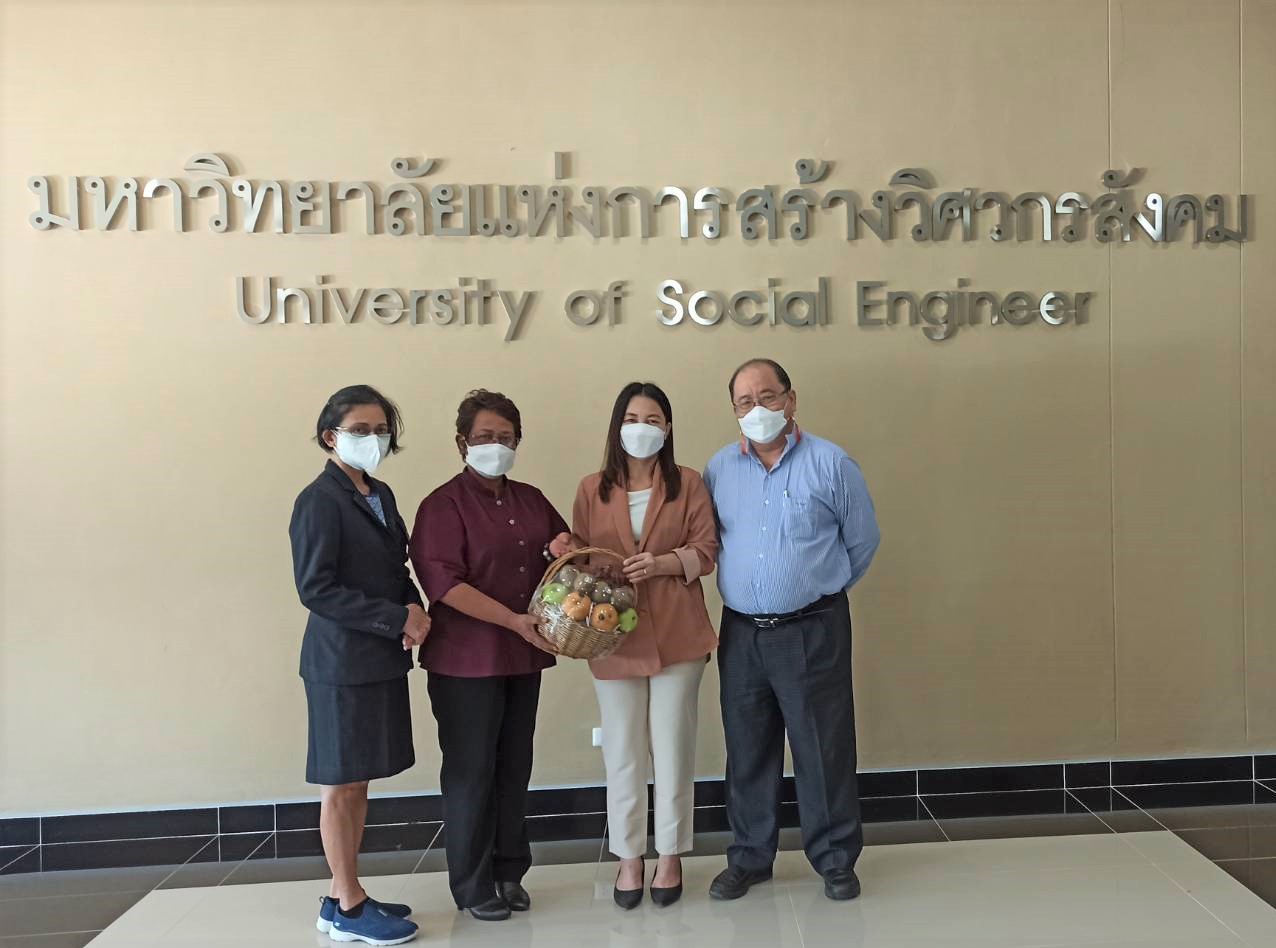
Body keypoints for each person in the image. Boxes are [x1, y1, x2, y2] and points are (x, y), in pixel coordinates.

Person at [702, 358, 880, 903]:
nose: (757, 409)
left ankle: (835, 860)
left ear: (791, 399)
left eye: (768, 396)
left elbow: (862, 541)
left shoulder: (831, 463)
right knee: (747, 747)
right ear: (734, 410)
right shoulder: (719, 469)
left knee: (822, 747)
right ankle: (750, 857)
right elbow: (712, 541)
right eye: (744, 401)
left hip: (812, 628)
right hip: (741, 633)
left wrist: (818, 592)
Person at [409, 389, 573, 922]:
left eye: (506, 438)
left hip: (522, 656)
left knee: (513, 767)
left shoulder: (530, 499)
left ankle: (509, 872)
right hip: (465, 662)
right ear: (462, 442)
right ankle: (473, 884)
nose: (495, 445)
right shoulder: (442, 505)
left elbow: (561, 550)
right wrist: (512, 621)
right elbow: (444, 584)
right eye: (484, 437)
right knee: (471, 772)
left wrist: (564, 547)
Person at [568, 382, 719, 910]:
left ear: (668, 428)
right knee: (623, 751)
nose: (641, 428)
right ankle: (629, 856)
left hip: (679, 633)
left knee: (673, 747)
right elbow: (580, 558)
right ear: (617, 427)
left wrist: (662, 564)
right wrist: (583, 558)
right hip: (613, 637)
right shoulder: (592, 488)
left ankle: (670, 854)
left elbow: (707, 551)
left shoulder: (689, 483)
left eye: (653, 419)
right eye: (632, 419)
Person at [289, 384, 430, 947]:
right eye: (361, 430)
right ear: (331, 436)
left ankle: (341, 894)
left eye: (381, 430)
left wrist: (414, 606)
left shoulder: (380, 493)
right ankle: (349, 906)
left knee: (358, 782)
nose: (374, 439)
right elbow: (316, 588)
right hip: (340, 662)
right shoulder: (318, 500)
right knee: (341, 786)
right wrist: (394, 618)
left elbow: (397, 565)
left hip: (377, 658)